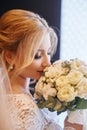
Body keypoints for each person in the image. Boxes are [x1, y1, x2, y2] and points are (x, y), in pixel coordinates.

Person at [0, 9, 62, 130]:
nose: (48, 63)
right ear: (10, 57)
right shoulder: (23, 107)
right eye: (37, 55)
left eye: (48, 53)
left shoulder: (12, 98)